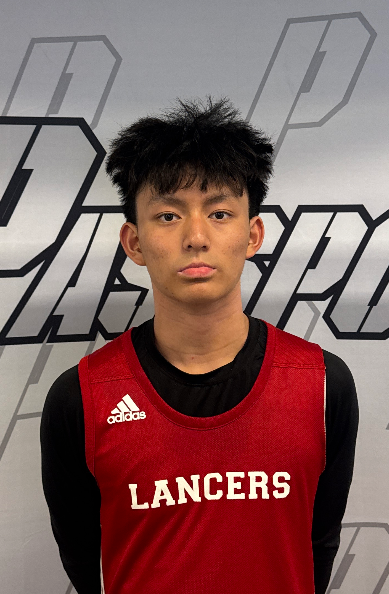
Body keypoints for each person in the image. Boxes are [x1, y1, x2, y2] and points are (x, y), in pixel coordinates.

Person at [40, 97, 358, 594]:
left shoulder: (321, 386)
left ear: (253, 234)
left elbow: (318, 545)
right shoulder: (80, 399)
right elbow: (84, 562)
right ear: (134, 242)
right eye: (168, 215)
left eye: (220, 213)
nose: (195, 236)